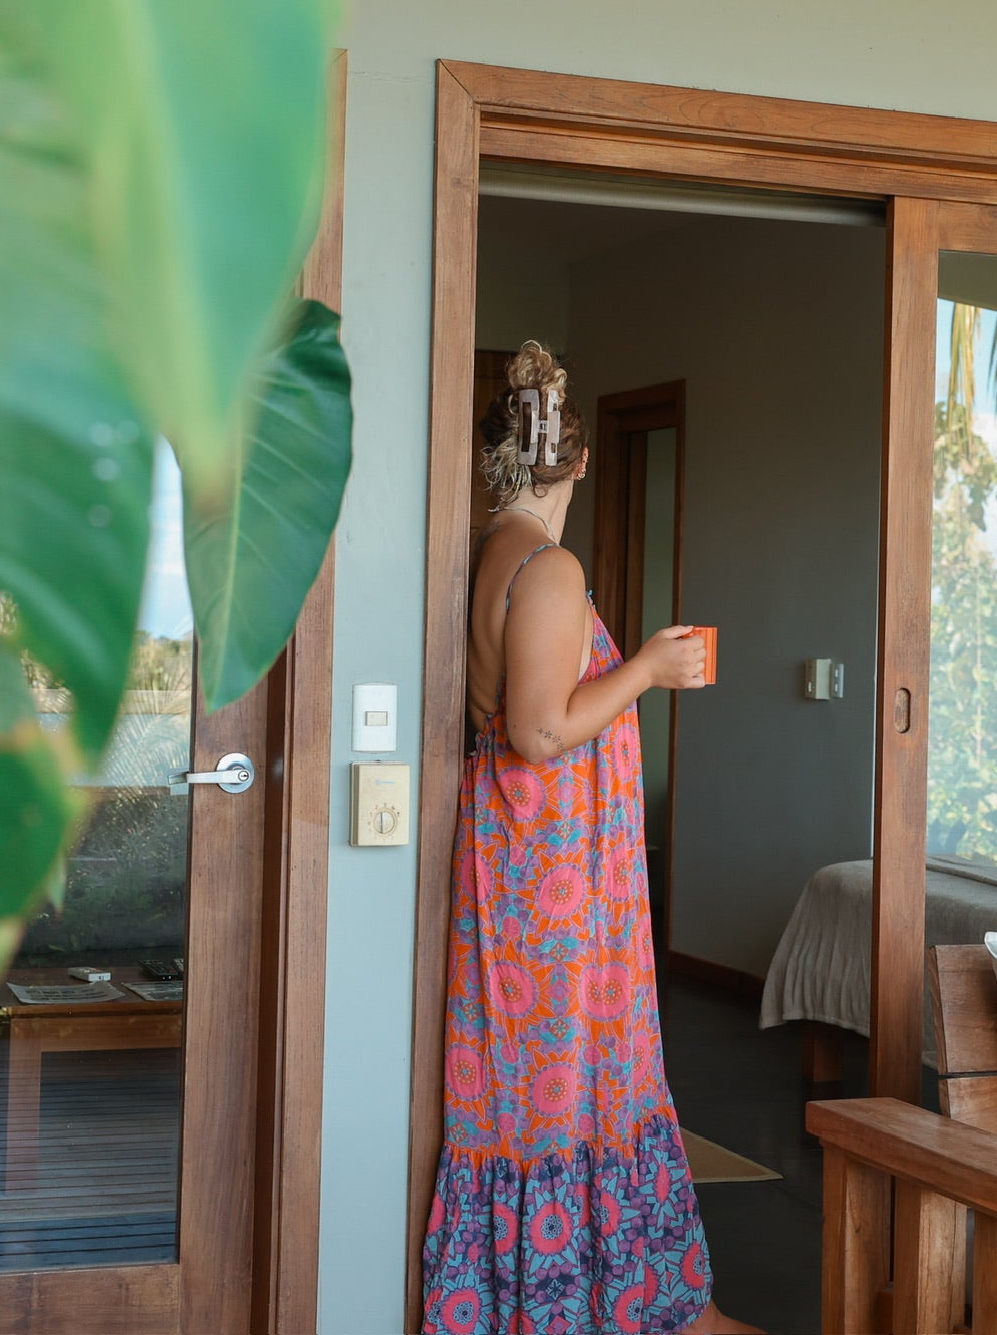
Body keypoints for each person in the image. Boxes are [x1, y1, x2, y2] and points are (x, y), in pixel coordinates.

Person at [422, 344, 757, 1335]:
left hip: (525, 858)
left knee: (544, 1091)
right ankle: (626, 1308)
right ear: (575, 462)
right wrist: (647, 667)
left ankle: (598, 1303)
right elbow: (538, 731)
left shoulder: (488, 551)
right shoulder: (549, 566)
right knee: (576, 1083)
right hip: (553, 873)